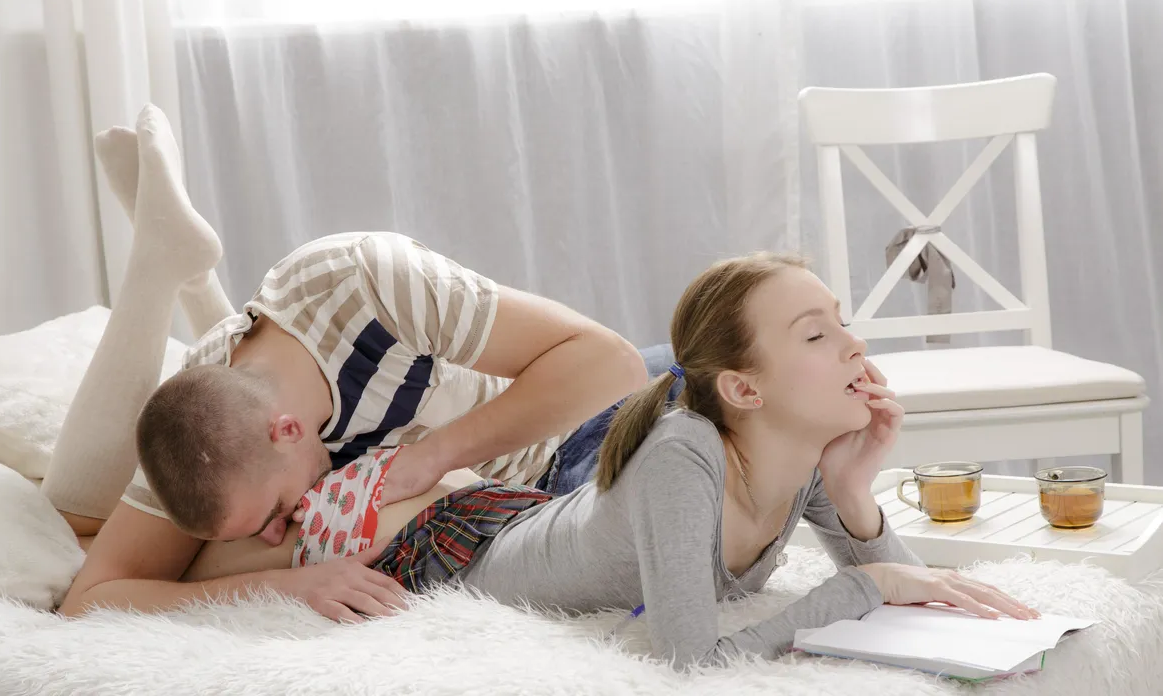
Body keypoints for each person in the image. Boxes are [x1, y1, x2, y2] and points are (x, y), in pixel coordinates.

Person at [182, 249, 1040, 669]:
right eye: (818, 335)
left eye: (842, 323)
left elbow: (904, 582)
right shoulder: (685, 453)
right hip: (445, 543)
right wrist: (860, 585)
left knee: (294, 517)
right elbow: (690, 659)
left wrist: (855, 494)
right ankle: (188, 296)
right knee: (275, 539)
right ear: (743, 389)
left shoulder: (798, 456)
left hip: (511, 507)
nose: (856, 346)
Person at [50, 105, 648, 618]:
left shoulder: (371, 284)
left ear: (286, 429)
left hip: (570, 441)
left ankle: (178, 267)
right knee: (88, 516)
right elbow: (89, 599)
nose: (275, 534)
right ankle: (178, 270)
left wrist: (431, 458)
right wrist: (287, 584)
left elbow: (612, 364)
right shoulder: (204, 416)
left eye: (275, 512)